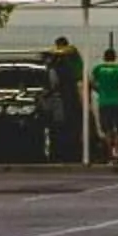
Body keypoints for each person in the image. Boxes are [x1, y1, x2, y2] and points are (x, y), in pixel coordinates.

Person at [89, 40, 118, 166]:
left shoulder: (98, 68)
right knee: (117, 129)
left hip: (104, 101)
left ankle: (109, 155)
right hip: (117, 101)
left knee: (107, 129)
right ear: (115, 57)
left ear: (104, 57)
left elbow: (92, 82)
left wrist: (100, 91)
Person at [47, 35, 86, 165]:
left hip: (78, 84)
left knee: (82, 111)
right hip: (68, 89)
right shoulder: (59, 60)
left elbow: (67, 50)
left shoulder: (71, 51)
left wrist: (53, 51)